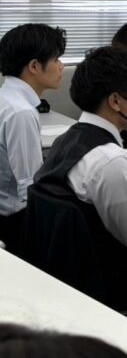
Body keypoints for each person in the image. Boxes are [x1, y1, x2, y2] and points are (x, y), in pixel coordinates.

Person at [27, 45, 127, 309]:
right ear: (116, 101)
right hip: (113, 285)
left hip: (67, 279)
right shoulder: (110, 162)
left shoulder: (66, 140)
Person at [0, 24, 65, 254]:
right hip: (12, 223)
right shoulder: (21, 113)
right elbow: (30, 186)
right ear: (34, 66)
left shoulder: (5, 98)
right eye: (56, 59)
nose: (61, 66)